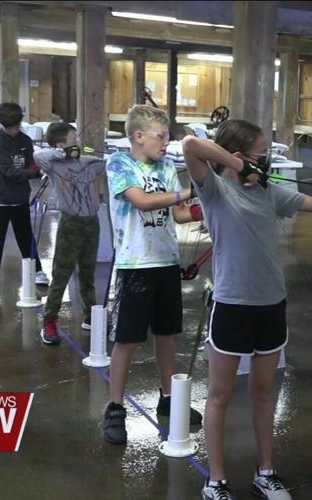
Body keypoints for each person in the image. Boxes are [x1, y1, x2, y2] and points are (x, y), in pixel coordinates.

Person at [182, 119, 312, 500]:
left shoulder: (268, 193)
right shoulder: (214, 190)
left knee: (265, 392)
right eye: (262, 156)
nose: (268, 164)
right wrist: (240, 166)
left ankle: (267, 472)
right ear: (240, 156)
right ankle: (216, 480)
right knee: (219, 396)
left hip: (271, 307)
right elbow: (191, 145)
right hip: (232, 305)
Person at [103, 104, 203, 445]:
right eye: (160, 136)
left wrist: (213, 204)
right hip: (135, 265)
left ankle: (168, 396)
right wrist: (192, 190)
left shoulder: (168, 165)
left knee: (167, 335)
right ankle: (115, 406)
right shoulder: (119, 163)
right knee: (127, 340)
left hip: (165, 262)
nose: (165, 142)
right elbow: (142, 201)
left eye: (167, 136)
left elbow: (178, 214)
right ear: (137, 136)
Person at [33, 123, 107, 345]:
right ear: (61, 145)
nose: (78, 143)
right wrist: (61, 153)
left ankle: (90, 316)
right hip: (70, 224)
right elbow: (37, 156)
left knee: (88, 273)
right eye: (73, 140)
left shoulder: (88, 162)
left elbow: (111, 163)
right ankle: (50, 321)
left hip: (91, 223)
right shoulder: (54, 165)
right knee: (61, 274)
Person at [0, 102, 49, 293]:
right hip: (0, 197)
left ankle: (37, 271)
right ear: (1, 125)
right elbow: (9, 171)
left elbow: (31, 163)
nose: (14, 130)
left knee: (26, 237)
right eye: (9, 127)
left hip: (20, 196)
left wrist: (40, 168)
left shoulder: (25, 140)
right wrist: (35, 174)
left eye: (16, 126)